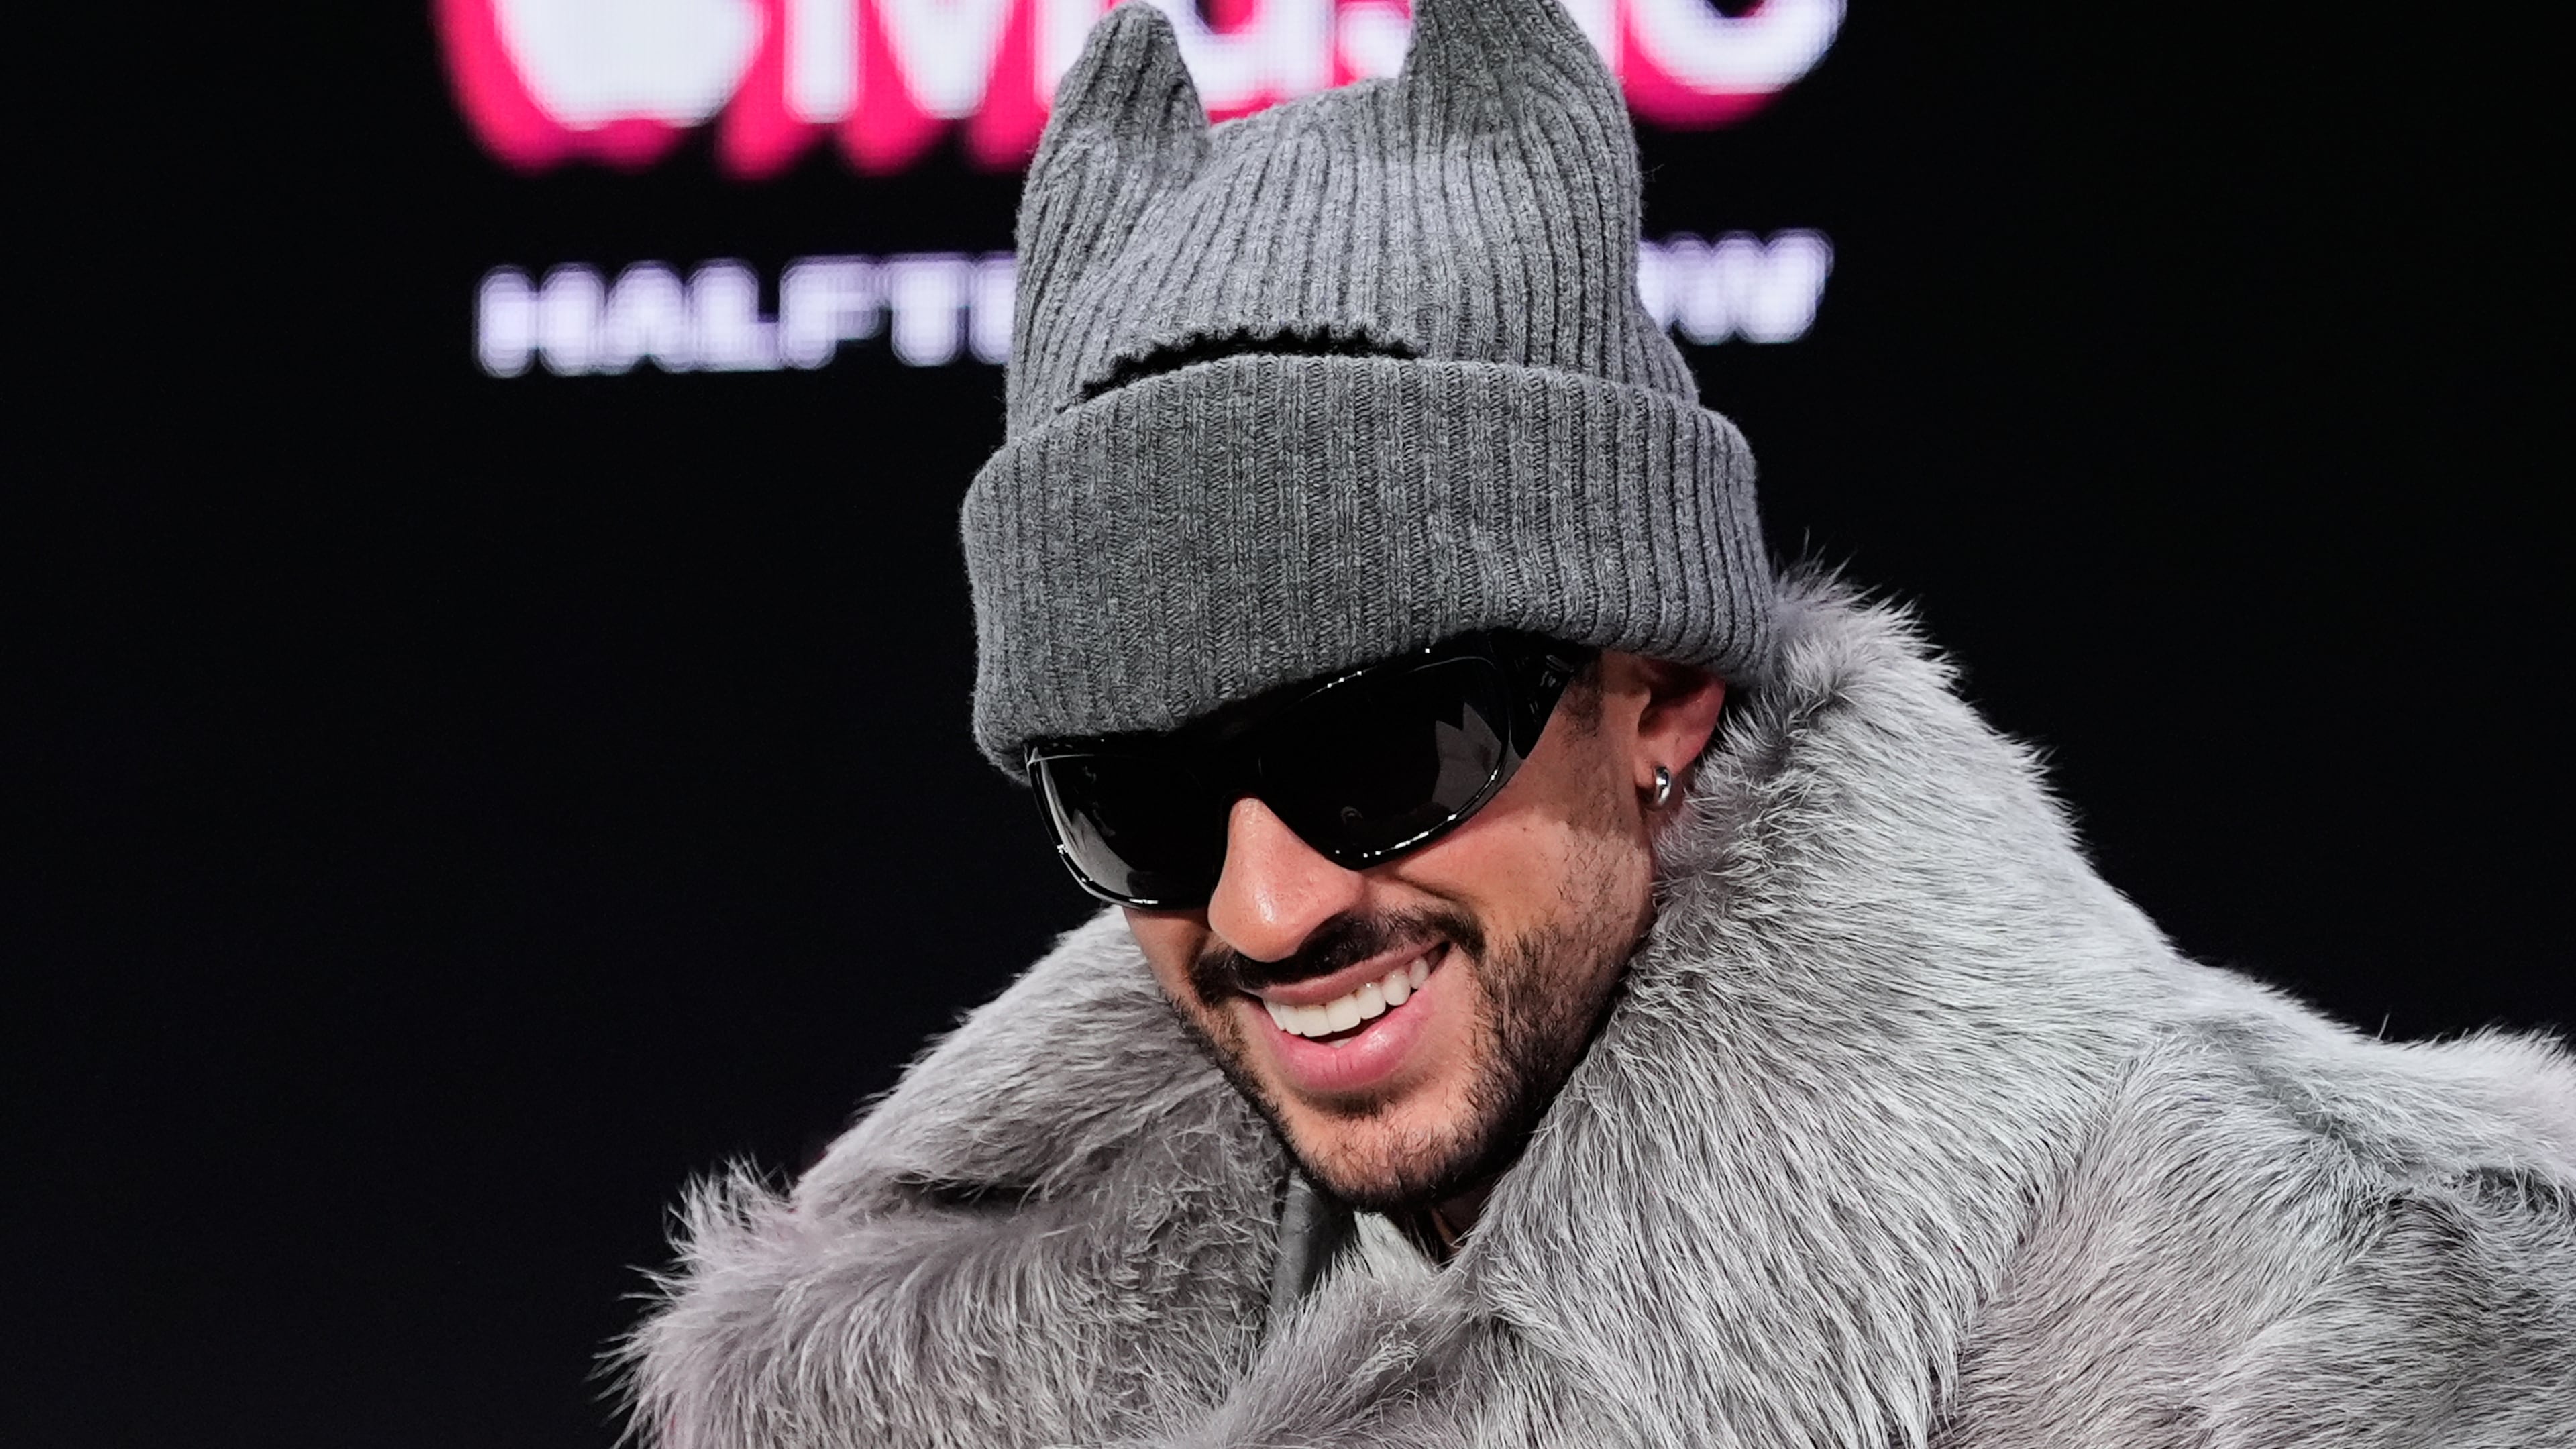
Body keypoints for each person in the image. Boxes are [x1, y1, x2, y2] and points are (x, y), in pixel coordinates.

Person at [623, 1, 2576, 1444]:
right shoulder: (929, 1367)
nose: (1267, 907)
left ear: (1660, 693)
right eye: (1139, 799)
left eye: (1384, 755)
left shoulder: (2319, 1326)